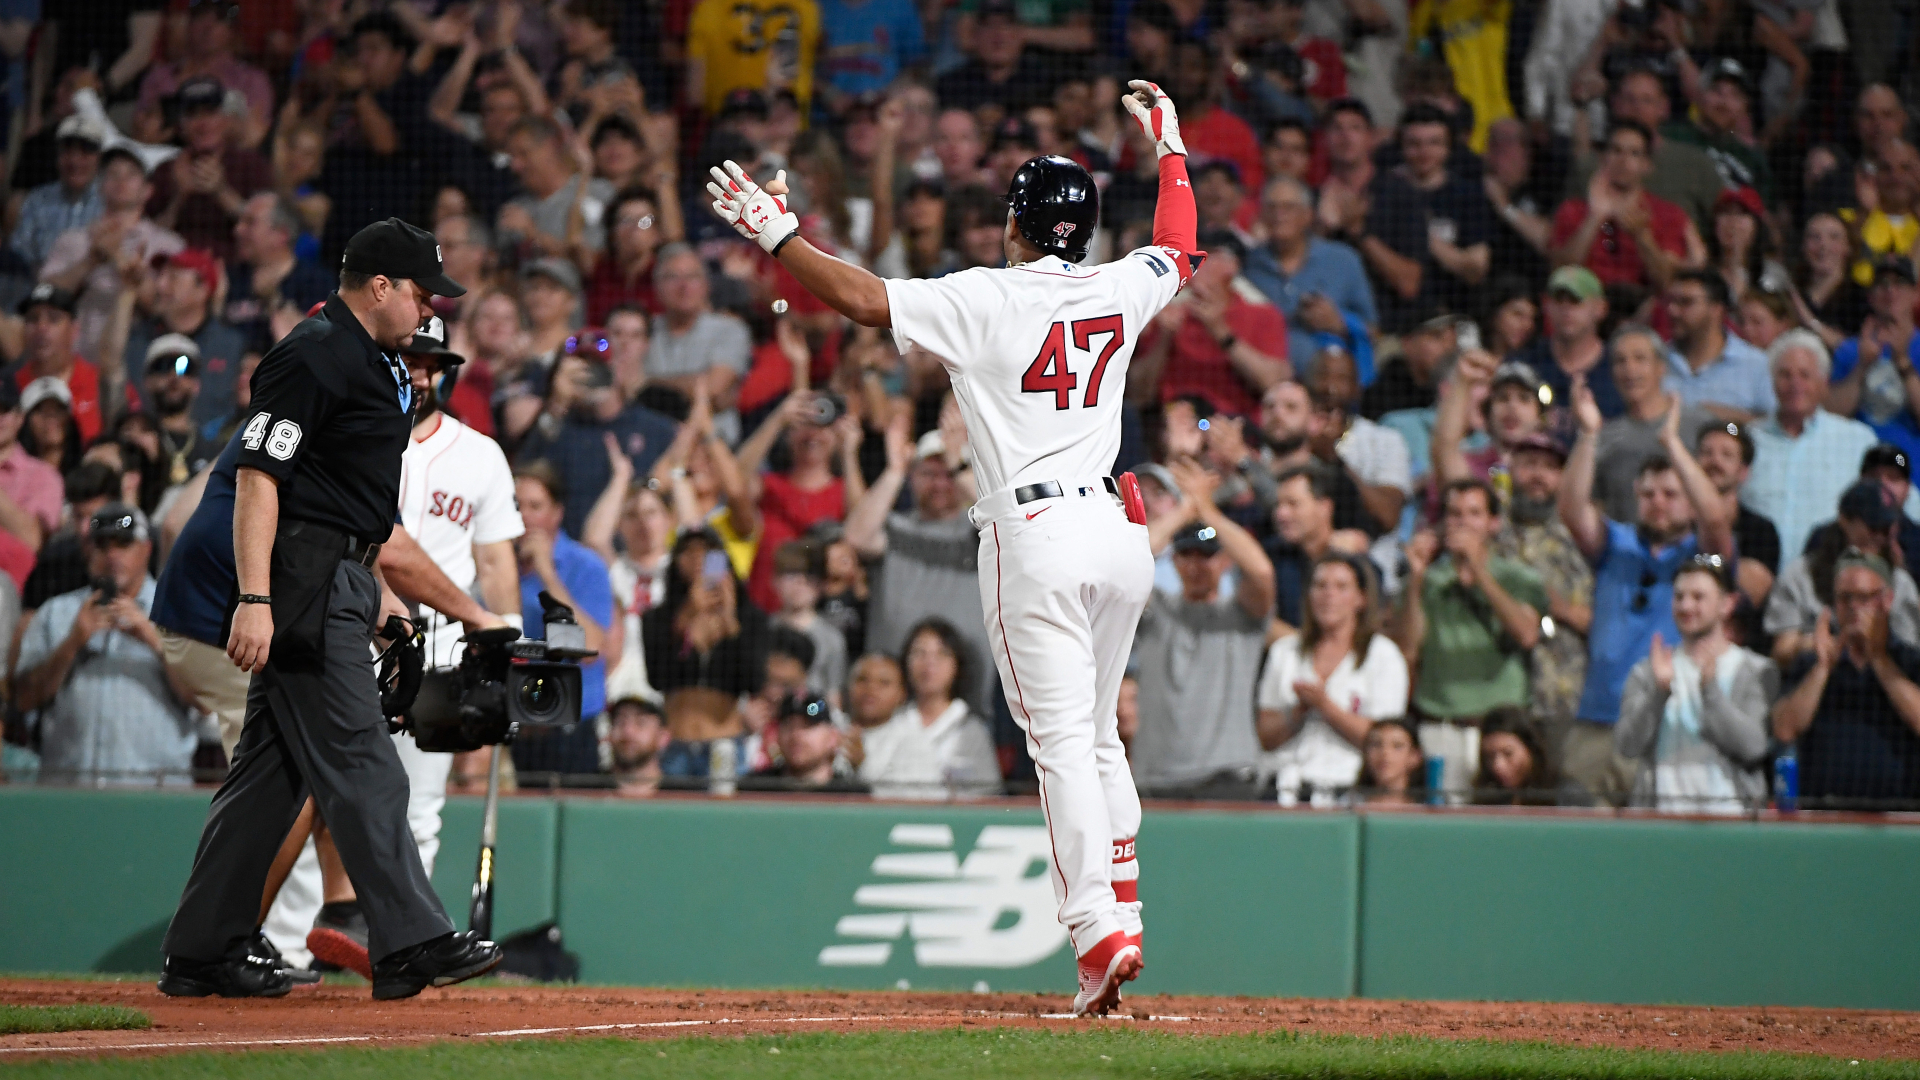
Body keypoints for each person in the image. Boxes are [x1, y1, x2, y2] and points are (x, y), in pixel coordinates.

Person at [705, 80, 1198, 1016]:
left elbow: (859, 299)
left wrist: (778, 237)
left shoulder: (986, 296)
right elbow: (1181, 244)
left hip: (1037, 532)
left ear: (1017, 226)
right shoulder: (1122, 283)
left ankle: (1097, 931)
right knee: (1095, 738)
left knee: (1058, 743)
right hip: (1119, 534)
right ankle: (1123, 903)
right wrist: (1170, 145)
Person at [159, 219, 501, 1000]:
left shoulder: (374, 359)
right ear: (378, 285)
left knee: (269, 780)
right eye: (419, 294)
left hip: (338, 573)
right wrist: (254, 598)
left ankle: (202, 949)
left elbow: (351, 507)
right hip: (302, 580)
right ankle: (410, 941)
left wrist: (378, 596)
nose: (427, 311)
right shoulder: (312, 353)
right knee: (363, 763)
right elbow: (258, 478)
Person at [1561, 371, 1735, 803]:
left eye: (1671, 494)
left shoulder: (1701, 556)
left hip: (1667, 724)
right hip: (1596, 719)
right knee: (1578, 844)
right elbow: (1570, 509)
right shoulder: (1614, 542)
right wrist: (1589, 435)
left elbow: (1714, 518)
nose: (1659, 502)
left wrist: (1673, 444)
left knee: (1650, 848)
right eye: (1650, 493)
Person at [13, 504, 191, 786]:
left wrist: (154, 639)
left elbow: (204, 700)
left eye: (123, 544)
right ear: (87, 551)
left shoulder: (178, 612)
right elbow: (22, 698)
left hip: (154, 796)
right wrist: (72, 643)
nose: (112, 556)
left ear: (146, 549)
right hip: (69, 792)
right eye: (102, 545)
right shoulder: (56, 614)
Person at [1392, 479, 1547, 798]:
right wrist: (1417, 579)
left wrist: (1479, 571)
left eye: (1474, 513)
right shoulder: (1429, 581)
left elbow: (1527, 634)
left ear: (1494, 523)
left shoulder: (1519, 578)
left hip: (1498, 733)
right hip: (1439, 726)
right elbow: (1408, 647)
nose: (1462, 522)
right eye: (1454, 514)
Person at [1132, 470, 1276, 797]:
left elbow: (1261, 571)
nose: (1196, 566)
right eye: (1186, 555)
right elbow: (1129, 559)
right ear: (1175, 560)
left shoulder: (1242, 615)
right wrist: (1184, 510)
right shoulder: (1157, 609)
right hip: (1155, 776)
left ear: (1224, 560)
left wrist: (1209, 512)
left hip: (1227, 777)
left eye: (1207, 555)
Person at [844, 415, 990, 709]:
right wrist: (895, 470)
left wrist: (958, 463)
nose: (939, 483)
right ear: (913, 477)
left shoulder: (984, 530)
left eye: (946, 474)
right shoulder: (896, 528)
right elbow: (856, 538)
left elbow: (1007, 520)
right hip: (890, 695)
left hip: (966, 695)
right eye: (928, 474)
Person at [1616, 555, 1777, 814]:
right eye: (1679, 597)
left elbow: (1753, 747)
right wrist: (1659, 693)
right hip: (1662, 823)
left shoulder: (1755, 671)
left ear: (1727, 604)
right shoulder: (1648, 672)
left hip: (1730, 826)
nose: (1686, 606)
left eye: (1698, 597)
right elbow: (1626, 745)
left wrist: (1710, 690)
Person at [1256, 552, 1408, 806]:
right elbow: (1265, 735)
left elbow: (1385, 744)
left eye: (1341, 587)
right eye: (1320, 586)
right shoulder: (1285, 651)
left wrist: (1326, 707)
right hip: (1283, 787)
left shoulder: (1383, 656)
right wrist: (1297, 713)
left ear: (1360, 598)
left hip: (1346, 788)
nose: (1329, 595)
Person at [1771, 551, 1920, 805]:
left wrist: (1879, 659)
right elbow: (1784, 729)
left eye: (1864, 598)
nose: (1853, 607)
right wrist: (1823, 669)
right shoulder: (1811, 663)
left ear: (1887, 600)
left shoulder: (1910, 661)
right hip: (1824, 814)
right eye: (1844, 598)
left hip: (1899, 815)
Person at [514, 331, 679, 538]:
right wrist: (557, 403)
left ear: (616, 369)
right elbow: (525, 478)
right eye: (582, 369)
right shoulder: (560, 428)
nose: (590, 376)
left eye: (598, 367)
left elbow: (674, 492)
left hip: (632, 555)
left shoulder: (655, 429)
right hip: (571, 554)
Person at [510, 463, 614, 777]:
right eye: (516, 506)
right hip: (518, 722)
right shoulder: (498, 565)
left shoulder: (585, 566)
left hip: (573, 726)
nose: (524, 515)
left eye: (535, 506)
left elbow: (591, 646)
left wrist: (546, 572)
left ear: (556, 512)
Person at [1744, 330, 1885, 560]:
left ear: (1823, 382)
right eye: (1785, 375)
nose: (1795, 384)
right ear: (1772, 381)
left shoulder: (1857, 440)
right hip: (1759, 574)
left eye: (1805, 375)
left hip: (1829, 576)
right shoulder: (1749, 438)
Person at [40, 145, 184, 365]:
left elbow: (170, 309)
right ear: (100, 186)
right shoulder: (73, 240)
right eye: (112, 174)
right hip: (78, 359)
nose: (121, 180)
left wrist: (118, 257)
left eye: (131, 174)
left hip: (141, 359)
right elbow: (45, 297)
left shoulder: (168, 245)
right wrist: (90, 261)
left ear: (148, 190)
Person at [644, 528, 770, 776]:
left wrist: (731, 621)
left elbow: (753, 681)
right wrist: (686, 616)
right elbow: (657, 678)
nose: (697, 559)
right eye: (687, 552)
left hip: (724, 742)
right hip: (675, 742)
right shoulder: (657, 618)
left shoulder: (751, 618)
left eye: (707, 552)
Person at [1767, 482, 1920, 665]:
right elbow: (1781, 653)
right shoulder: (1801, 575)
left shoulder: (1900, 582)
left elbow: (1911, 657)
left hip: (1879, 683)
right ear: (1845, 520)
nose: (1879, 536)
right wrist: (1824, 642)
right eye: (1873, 527)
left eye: (1886, 528)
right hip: (1815, 678)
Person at [1551, 120, 1703, 294]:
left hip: (1642, 307)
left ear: (1647, 165)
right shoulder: (1572, 210)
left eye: (1634, 154)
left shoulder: (1669, 214)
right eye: (1616, 151)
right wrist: (1594, 218)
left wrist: (1642, 236)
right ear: (1602, 158)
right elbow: (1561, 273)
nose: (1623, 161)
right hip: (1585, 304)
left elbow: (1666, 282)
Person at [857, 617, 1000, 799]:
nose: (929, 663)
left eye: (942, 653)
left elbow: (987, 795)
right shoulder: (891, 722)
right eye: (919, 653)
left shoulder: (971, 730)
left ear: (957, 664)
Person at [1241, 176, 1376, 369]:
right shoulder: (1247, 264)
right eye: (1272, 207)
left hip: (1331, 382)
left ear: (1308, 215)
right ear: (1261, 215)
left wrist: (1340, 323)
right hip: (1262, 381)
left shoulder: (1343, 260)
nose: (1279, 215)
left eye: (1288, 208)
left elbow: (1374, 331)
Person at [1591, 324, 1714, 524]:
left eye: (1640, 359)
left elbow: (1735, 435)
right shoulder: (1603, 437)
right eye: (1620, 361)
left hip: (1693, 550)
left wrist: (1735, 423)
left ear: (1661, 367)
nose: (1629, 369)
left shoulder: (1701, 423)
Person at [144, 76, 272, 261]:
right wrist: (180, 197)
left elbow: (266, 229)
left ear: (225, 119)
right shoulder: (165, 170)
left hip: (233, 269)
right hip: (176, 269)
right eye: (193, 114)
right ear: (181, 126)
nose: (203, 124)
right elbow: (148, 237)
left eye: (210, 113)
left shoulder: (250, 163)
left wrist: (220, 191)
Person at [1827, 256, 1920, 462]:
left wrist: (1903, 362)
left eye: (1900, 284)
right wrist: (1862, 366)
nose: (1891, 291)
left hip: (1912, 470)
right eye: (1882, 284)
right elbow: (1829, 415)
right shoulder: (1850, 350)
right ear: (1870, 296)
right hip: (1857, 462)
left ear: (1916, 293)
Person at [1663, 270, 1774, 423]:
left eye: (1686, 302)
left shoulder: (1755, 364)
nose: (1672, 311)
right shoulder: (1656, 360)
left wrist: (1730, 425)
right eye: (1671, 302)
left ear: (1716, 309)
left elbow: (1773, 429)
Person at [1514, 266, 1622, 419]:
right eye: (1558, 300)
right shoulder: (1524, 364)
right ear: (1547, 306)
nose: (1566, 309)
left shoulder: (1619, 368)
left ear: (1601, 308)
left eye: (1575, 301)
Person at [11, 284, 104, 447]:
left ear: (74, 330)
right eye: (32, 319)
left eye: (53, 319)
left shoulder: (100, 382)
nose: (41, 328)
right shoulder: (8, 387)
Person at [10, 114, 106, 269]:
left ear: (99, 157)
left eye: (85, 152)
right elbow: (20, 255)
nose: (75, 161)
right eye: (67, 151)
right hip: (41, 284)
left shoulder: (111, 201)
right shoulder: (38, 199)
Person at [768, 540, 848, 705]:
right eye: (790, 574)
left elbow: (832, 697)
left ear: (822, 584)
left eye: (809, 576)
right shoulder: (762, 630)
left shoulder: (832, 639)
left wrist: (812, 713)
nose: (800, 582)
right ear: (775, 580)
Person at [1471, 707, 1587, 806]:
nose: (1497, 766)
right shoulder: (1488, 799)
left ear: (1531, 749)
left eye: (1508, 754)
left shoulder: (1567, 795)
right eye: (1490, 756)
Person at [752, 692, 855, 789]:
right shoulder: (755, 789)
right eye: (789, 726)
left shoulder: (852, 795)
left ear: (833, 736)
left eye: (807, 726)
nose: (796, 735)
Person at [605, 695, 671, 797]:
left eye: (641, 723)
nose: (628, 731)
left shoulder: (686, 798)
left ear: (663, 737)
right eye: (620, 722)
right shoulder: (584, 792)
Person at [1352, 719, 1426, 804]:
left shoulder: (1430, 810)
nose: (1385, 753)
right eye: (1376, 744)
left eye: (1397, 746)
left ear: (1415, 756)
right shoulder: (1347, 806)